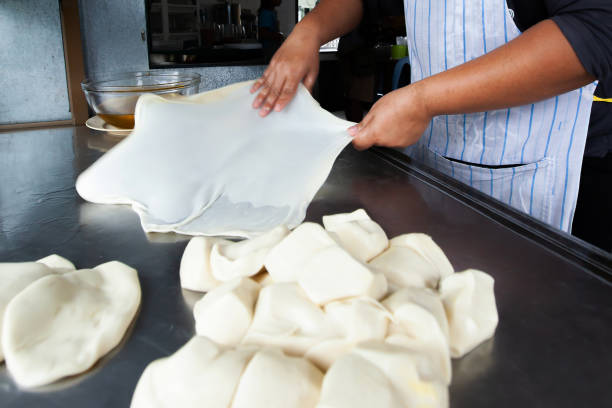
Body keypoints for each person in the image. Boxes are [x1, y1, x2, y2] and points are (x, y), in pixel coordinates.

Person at [250, 0, 612, 251]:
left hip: (542, 178)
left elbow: (596, 29)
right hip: (433, 169)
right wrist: (309, 30)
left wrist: (425, 100)